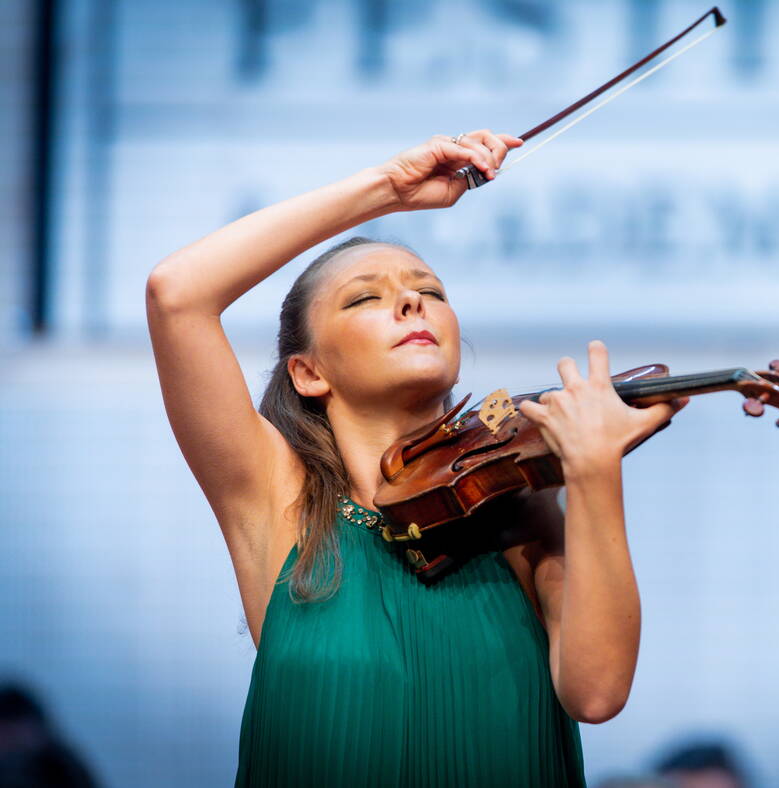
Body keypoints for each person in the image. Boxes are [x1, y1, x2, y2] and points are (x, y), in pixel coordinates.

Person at [145, 130, 689, 786]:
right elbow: (176, 294)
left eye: (429, 290)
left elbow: (597, 694)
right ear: (309, 372)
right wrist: (387, 191)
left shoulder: (515, 508)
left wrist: (595, 471)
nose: (411, 301)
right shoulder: (276, 499)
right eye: (364, 297)